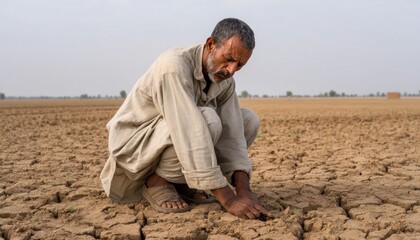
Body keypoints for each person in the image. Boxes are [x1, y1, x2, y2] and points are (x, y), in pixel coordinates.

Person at [100, 18, 271, 220]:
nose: (231, 70)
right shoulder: (174, 67)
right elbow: (190, 129)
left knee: (248, 120)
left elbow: (233, 135)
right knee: (207, 119)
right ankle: (157, 183)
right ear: (210, 45)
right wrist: (229, 199)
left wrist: (244, 192)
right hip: (136, 146)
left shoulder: (225, 79)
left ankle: (182, 183)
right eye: (228, 58)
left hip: (172, 139)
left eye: (239, 65)